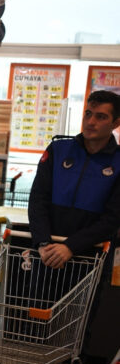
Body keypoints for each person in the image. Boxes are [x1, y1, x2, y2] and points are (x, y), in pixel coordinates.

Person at [29, 90, 120, 267]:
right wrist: (43, 243)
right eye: (88, 114)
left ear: (116, 123)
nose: (91, 122)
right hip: (47, 254)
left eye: (101, 117)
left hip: (92, 258)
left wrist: (70, 247)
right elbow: (38, 199)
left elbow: (113, 218)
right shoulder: (58, 150)